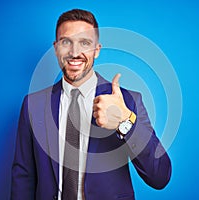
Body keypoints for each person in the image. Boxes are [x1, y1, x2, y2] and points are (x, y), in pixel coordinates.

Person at [11, 8, 171, 200]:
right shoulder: (33, 104)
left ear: (97, 50)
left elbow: (160, 177)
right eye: (66, 42)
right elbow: (23, 175)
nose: (75, 52)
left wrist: (125, 122)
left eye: (84, 43)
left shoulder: (127, 101)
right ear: (56, 48)